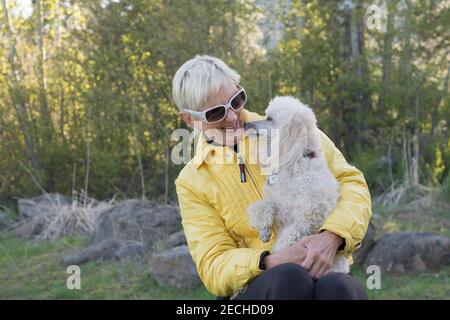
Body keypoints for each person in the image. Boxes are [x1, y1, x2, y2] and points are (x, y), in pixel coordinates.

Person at [172, 55, 371, 300]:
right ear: (189, 119)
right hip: (255, 287)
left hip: (323, 264)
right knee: (289, 278)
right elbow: (214, 264)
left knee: (339, 289)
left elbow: (352, 184)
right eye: (215, 113)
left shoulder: (291, 124)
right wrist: (271, 260)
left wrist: (332, 237)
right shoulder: (192, 181)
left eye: (236, 100)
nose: (233, 117)